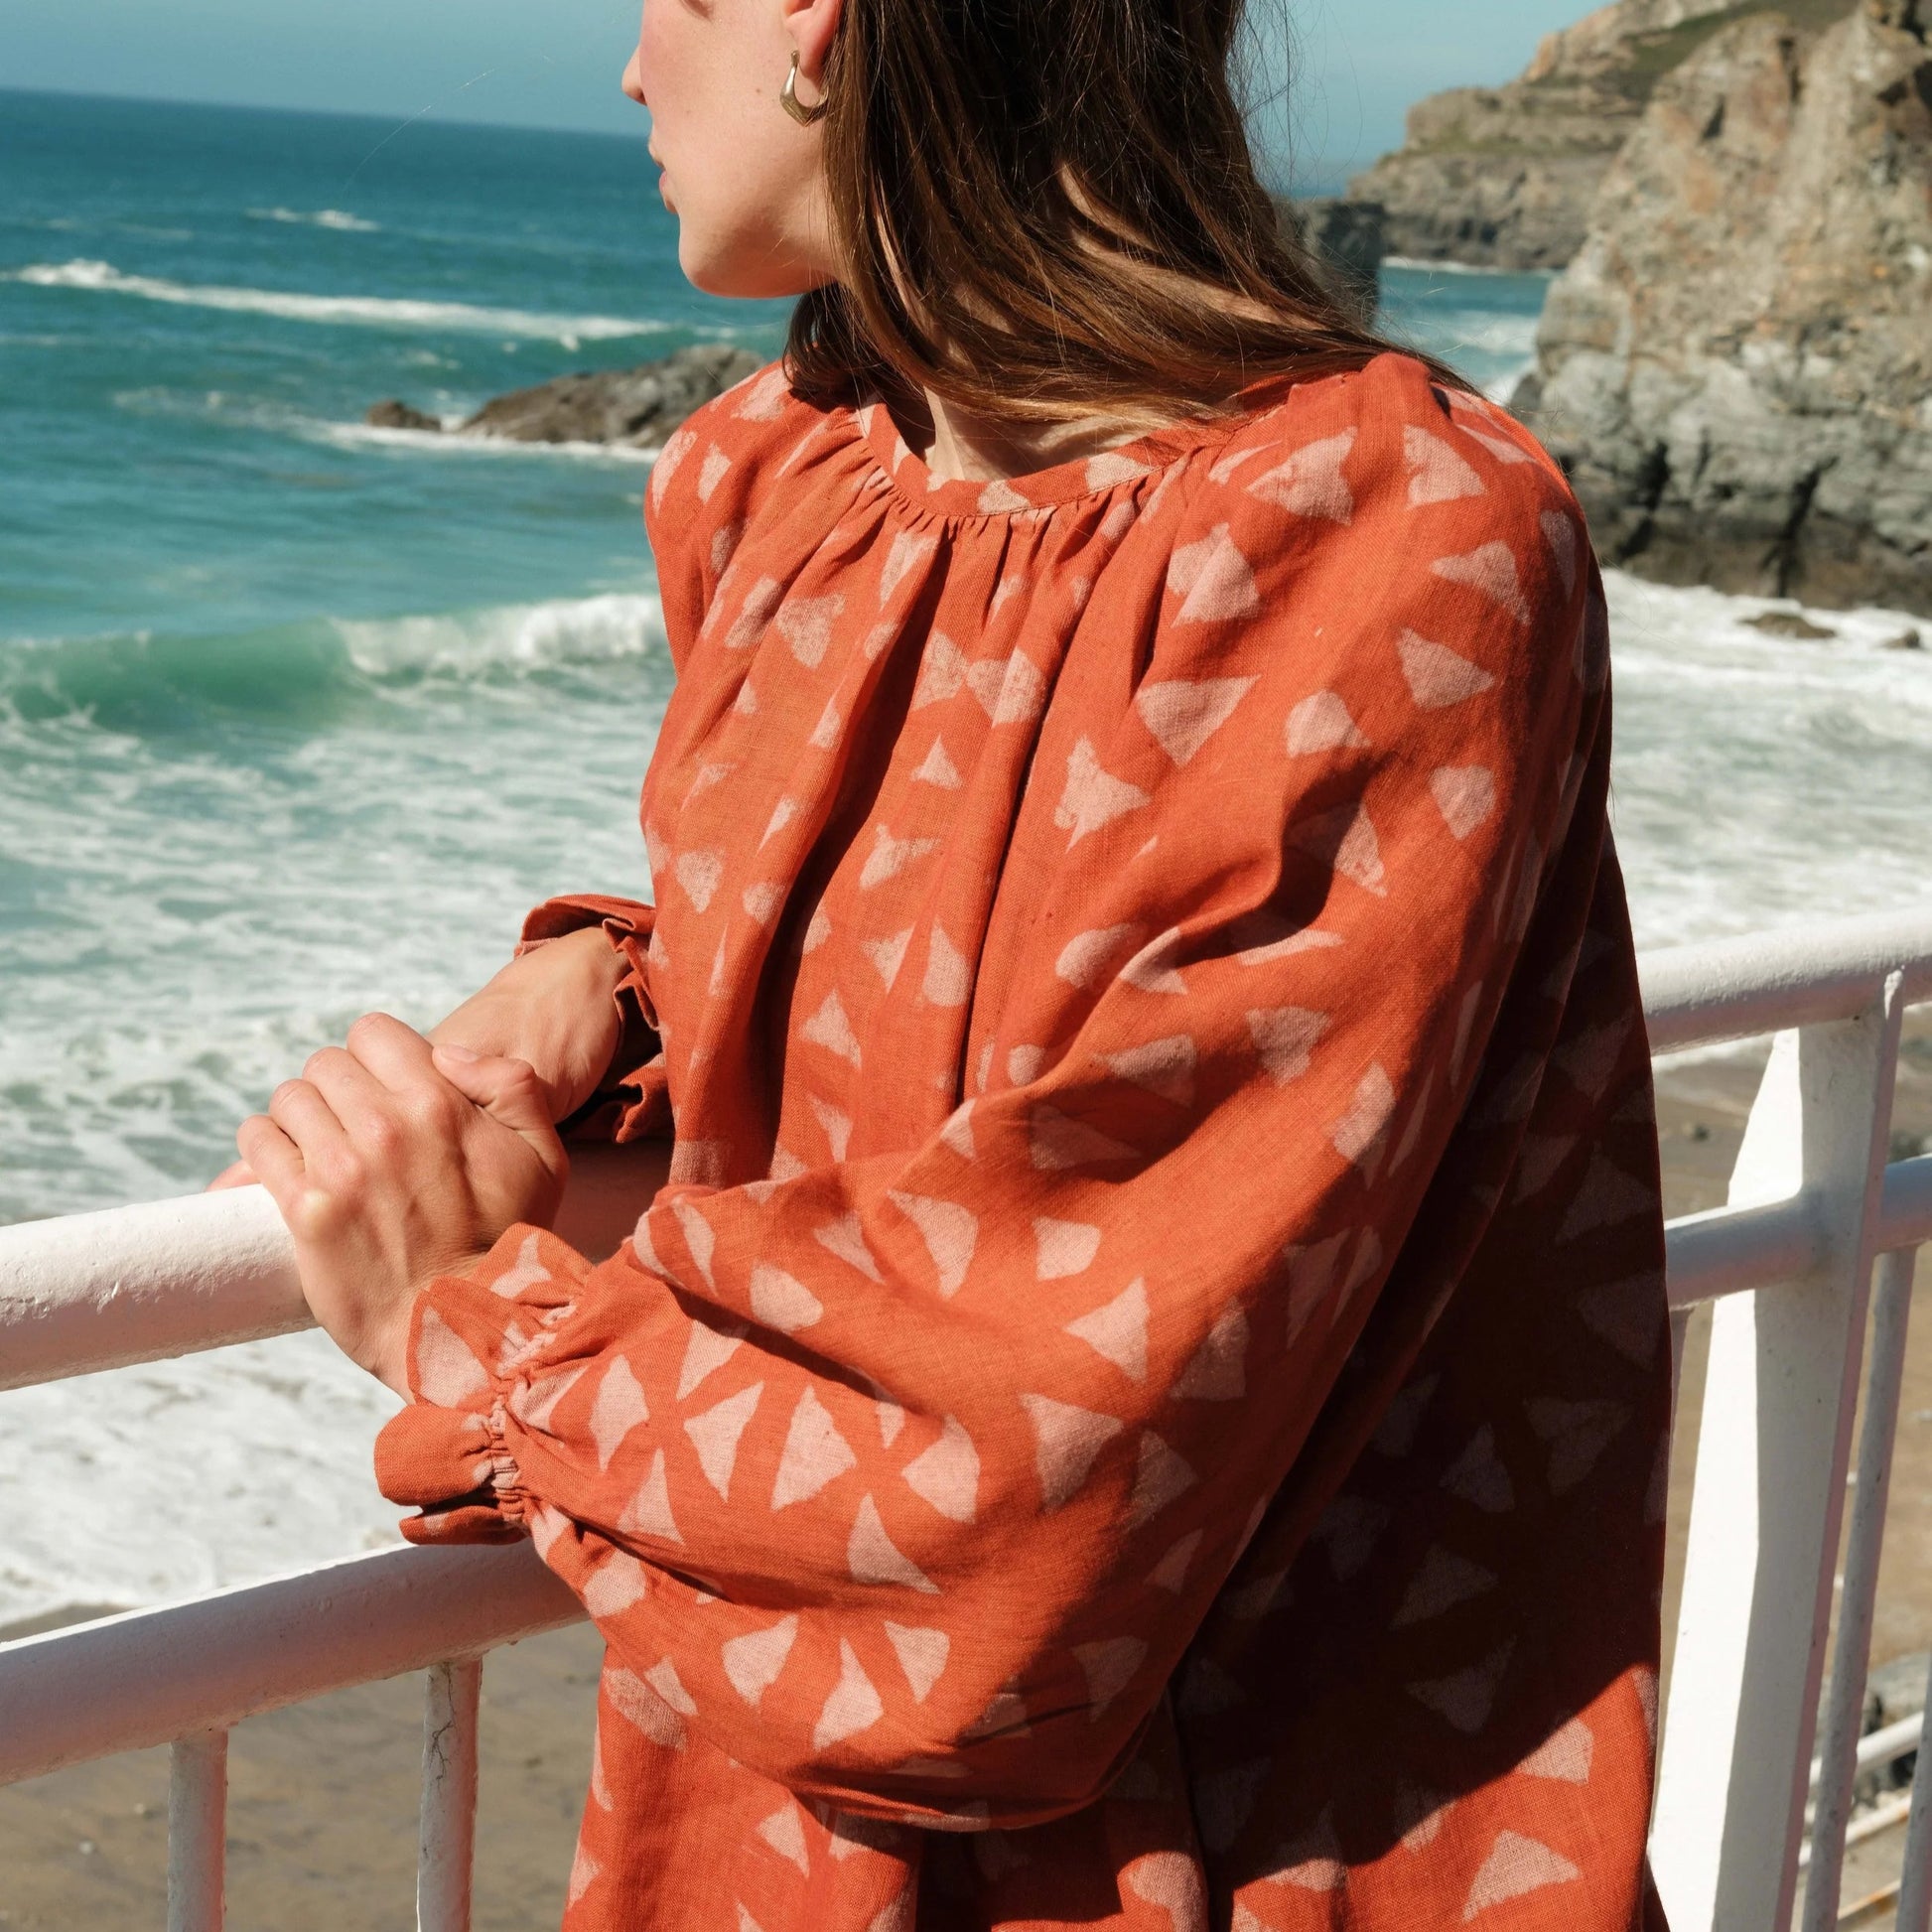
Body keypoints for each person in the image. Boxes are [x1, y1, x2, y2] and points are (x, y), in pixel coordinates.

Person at [223, 0, 1672, 1924]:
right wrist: (643, 1001)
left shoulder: (1384, 551)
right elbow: (1010, 983)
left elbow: (1018, 1502)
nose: (633, 65)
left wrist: (472, 1322)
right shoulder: (785, 492)